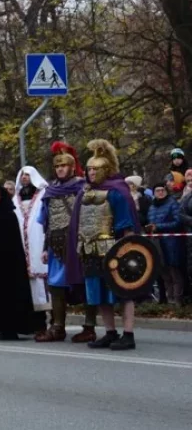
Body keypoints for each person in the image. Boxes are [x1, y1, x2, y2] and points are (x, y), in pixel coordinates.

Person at [73, 139, 143, 350]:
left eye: (96, 169)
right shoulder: (85, 193)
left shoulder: (116, 192)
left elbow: (127, 225)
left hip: (115, 249)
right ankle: (110, 332)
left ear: (106, 169)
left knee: (123, 292)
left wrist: (126, 252)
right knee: (99, 293)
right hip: (90, 250)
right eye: (89, 169)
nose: (92, 173)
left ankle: (128, 334)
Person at [36, 143, 85, 342]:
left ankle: (89, 326)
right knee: (55, 285)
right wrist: (45, 247)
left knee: (84, 284)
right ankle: (58, 327)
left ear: (72, 167)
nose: (60, 169)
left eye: (64, 166)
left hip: (77, 243)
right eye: (57, 166)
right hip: (55, 243)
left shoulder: (81, 187)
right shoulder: (50, 191)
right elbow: (46, 221)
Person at [0, 184, 37, 340]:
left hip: (8, 265)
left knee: (8, 296)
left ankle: (11, 329)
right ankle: (1, 327)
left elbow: (10, 242)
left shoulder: (8, 215)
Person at [12, 167, 51, 332]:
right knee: (29, 285)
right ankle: (35, 321)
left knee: (42, 282)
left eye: (28, 175)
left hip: (38, 242)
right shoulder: (16, 199)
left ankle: (50, 317)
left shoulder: (43, 194)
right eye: (22, 175)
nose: (25, 178)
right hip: (22, 244)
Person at [147, 184, 184, 305]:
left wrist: (159, 227)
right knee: (164, 272)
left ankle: (177, 301)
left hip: (172, 241)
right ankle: (169, 299)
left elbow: (177, 221)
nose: (161, 192)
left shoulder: (172, 203)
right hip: (157, 242)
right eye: (158, 190)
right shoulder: (152, 207)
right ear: (154, 193)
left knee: (174, 271)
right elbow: (150, 222)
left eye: (163, 190)